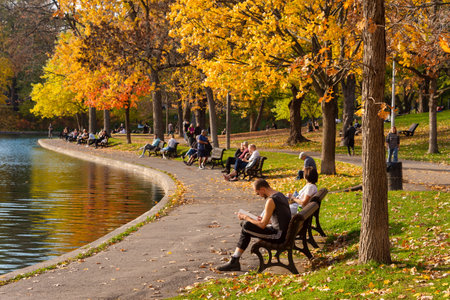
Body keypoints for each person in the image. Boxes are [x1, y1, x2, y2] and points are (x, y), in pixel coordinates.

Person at [217, 179, 291, 271]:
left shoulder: (271, 200)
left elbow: (262, 225)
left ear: (263, 189)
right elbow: (279, 218)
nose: (259, 196)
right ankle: (234, 261)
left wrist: (246, 217)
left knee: (246, 225)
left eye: (258, 193)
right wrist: (260, 220)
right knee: (246, 226)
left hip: (278, 236)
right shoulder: (280, 195)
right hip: (283, 232)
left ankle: (234, 261)